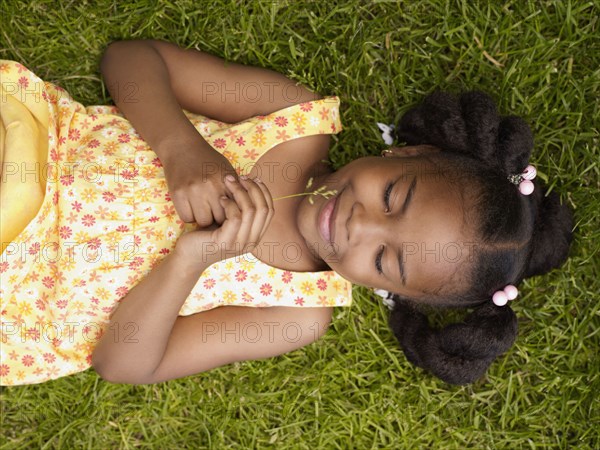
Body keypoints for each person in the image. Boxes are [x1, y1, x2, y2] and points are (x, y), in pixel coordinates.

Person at [0, 39, 573, 386]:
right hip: (29, 152)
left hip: (19, 292)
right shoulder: (294, 120)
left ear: (389, 291)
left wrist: (191, 261)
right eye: (393, 197)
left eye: (381, 258)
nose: (358, 224)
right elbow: (130, 60)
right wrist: (182, 149)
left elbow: (123, 363)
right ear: (408, 152)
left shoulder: (295, 312)